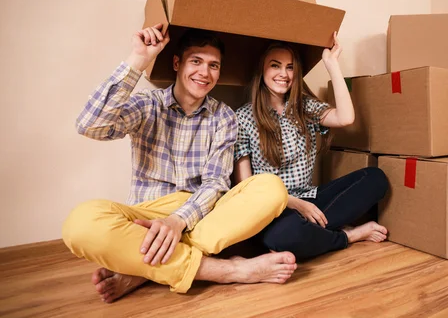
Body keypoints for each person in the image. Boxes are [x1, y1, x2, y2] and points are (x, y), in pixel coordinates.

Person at [62, 24, 296, 303]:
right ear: (177, 63)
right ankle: (226, 270)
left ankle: (142, 271)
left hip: (201, 216)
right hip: (147, 215)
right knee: (80, 224)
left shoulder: (223, 117)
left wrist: (177, 221)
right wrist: (139, 58)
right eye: (196, 61)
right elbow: (90, 126)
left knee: (271, 187)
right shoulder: (148, 104)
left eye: (213, 65)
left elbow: (215, 183)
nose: (204, 73)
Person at [233, 32, 389, 260]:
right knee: (285, 235)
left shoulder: (304, 107)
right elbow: (246, 188)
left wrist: (332, 64)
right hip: (271, 210)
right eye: (275, 66)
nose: (284, 74)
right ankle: (348, 237)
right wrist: (294, 204)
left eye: (290, 67)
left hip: (310, 198)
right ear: (262, 70)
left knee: (376, 179)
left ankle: (312, 234)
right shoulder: (243, 118)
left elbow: (345, 118)